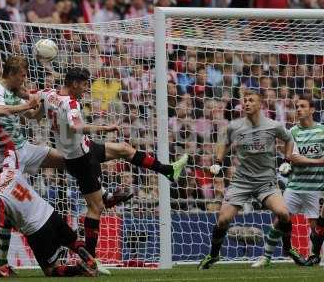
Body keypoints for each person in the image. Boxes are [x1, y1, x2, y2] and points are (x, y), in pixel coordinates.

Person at [0, 56, 127, 277]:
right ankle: (1, 263)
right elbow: (0, 110)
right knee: (8, 207)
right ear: (12, 74)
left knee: (70, 157)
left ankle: (104, 195)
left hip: (23, 148)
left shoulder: (13, 89)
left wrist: (37, 103)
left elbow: (30, 106)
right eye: (21, 76)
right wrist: (27, 105)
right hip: (5, 155)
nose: (24, 80)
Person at [36, 67, 189, 268]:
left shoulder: (49, 94)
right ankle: (90, 259)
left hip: (84, 148)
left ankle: (167, 170)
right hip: (81, 159)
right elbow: (75, 126)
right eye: (83, 85)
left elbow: (35, 107)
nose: (86, 89)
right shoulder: (71, 103)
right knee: (95, 207)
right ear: (74, 84)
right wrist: (105, 128)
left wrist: (25, 111)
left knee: (125, 149)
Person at [0, 141, 98, 277]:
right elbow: (10, 147)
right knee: (73, 242)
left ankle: (80, 269)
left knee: (50, 270)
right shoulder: (9, 169)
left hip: (38, 231)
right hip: (51, 214)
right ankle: (90, 261)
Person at [197, 88, 305, 270]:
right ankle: (213, 255)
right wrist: (217, 161)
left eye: (251, 100)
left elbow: (289, 139)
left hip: (266, 182)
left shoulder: (273, 125)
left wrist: (287, 160)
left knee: (284, 213)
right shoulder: (235, 126)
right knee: (223, 220)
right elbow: (223, 142)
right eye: (245, 100)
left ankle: (289, 250)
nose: (246, 103)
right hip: (241, 182)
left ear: (260, 104)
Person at [281, 94, 324, 266]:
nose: (298, 109)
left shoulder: (322, 130)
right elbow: (292, 157)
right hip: (295, 184)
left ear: (312, 110)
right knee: (280, 217)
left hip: (316, 185)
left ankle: (315, 256)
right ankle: (267, 257)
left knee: (316, 224)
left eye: (303, 106)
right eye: (297, 106)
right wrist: (319, 161)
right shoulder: (292, 132)